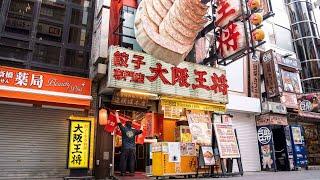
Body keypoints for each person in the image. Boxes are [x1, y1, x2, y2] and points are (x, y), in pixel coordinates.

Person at [115, 111, 143, 176]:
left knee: (123, 160)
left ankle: (123, 172)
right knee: (132, 160)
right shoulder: (134, 131)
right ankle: (132, 172)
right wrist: (141, 125)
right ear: (131, 125)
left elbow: (118, 122)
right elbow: (141, 131)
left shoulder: (124, 129)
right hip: (132, 148)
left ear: (125, 124)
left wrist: (116, 115)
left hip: (125, 148)